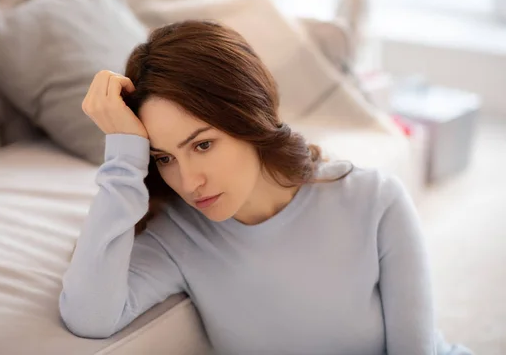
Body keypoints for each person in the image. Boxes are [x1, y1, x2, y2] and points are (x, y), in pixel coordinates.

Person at [59, 20, 472, 355]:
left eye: (203, 144)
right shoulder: (177, 234)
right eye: (164, 158)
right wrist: (123, 159)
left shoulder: (374, 199)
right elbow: (89, 316)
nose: (188, 182)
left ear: (250, 120)